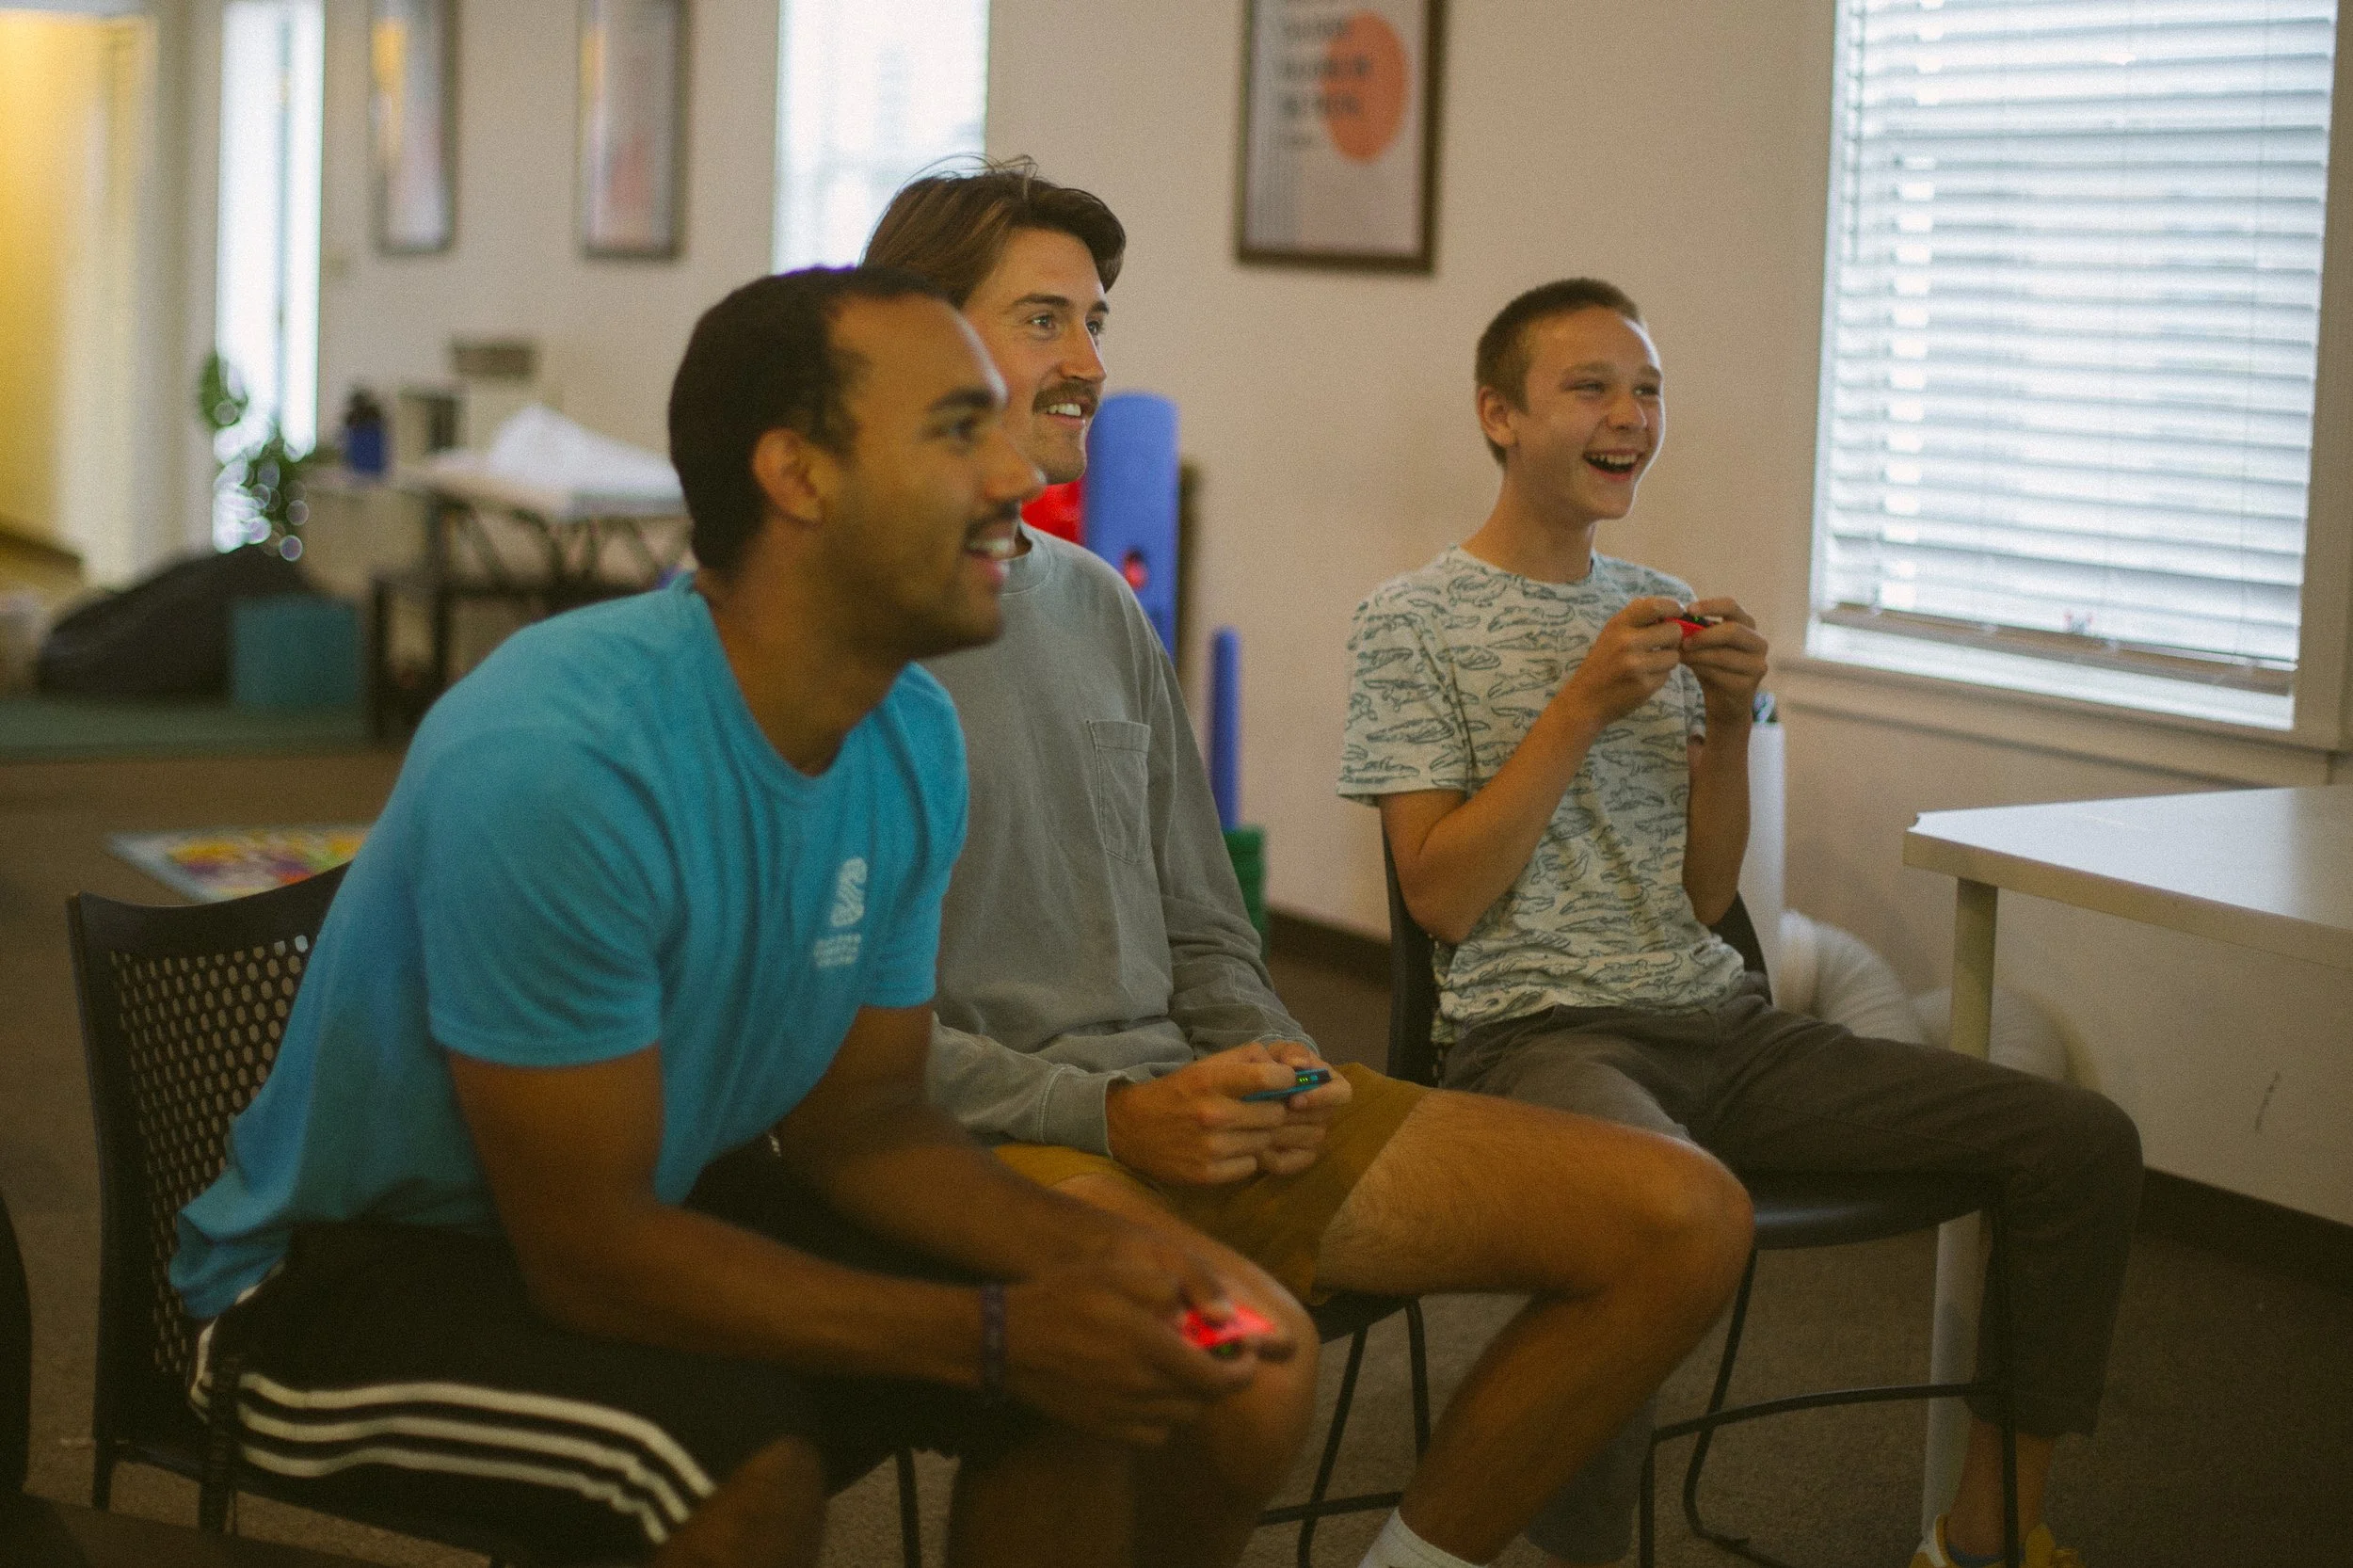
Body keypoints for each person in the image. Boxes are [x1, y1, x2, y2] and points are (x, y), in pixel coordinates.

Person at [170, 265, 1311, 1568]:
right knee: (744, 1470)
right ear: (798, 475)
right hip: (345, 1279)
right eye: (958, 430)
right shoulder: (562, 753)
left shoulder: (909, 731)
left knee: (1103, 1360)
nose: (1015, 473)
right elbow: (589, 1254)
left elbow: (864, 1122)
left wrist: (1104, 1262)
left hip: (644, 1200)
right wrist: (995, 1333)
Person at [865, 160, 1757, 1568]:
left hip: (1193, 1098)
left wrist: (1277, 1064)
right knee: (1240, 1349)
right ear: (918, 340)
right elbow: (828, 1044)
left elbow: (1205, 921)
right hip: (1004, 1137)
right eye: (1046, 320)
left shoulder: (1093, 603)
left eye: (1097, 321)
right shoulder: (843, 630)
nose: (1090, 361)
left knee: (1690, 1216)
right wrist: (1117, 1114)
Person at [1341, 277, 2144, 1568]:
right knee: (1657, 1215)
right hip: (1534, 1039)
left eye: (1648, 390)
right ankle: (1573, 1553)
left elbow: (1707, 899)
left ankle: (1985, 1534)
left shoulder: (1660, 602)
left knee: (2079, 1141)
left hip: (1720, 1025)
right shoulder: (1409, 619)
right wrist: (1576, 709)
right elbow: (1440, 893)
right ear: (1499, 415)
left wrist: (1728, 721)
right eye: (1591, 388)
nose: (1631, 416)